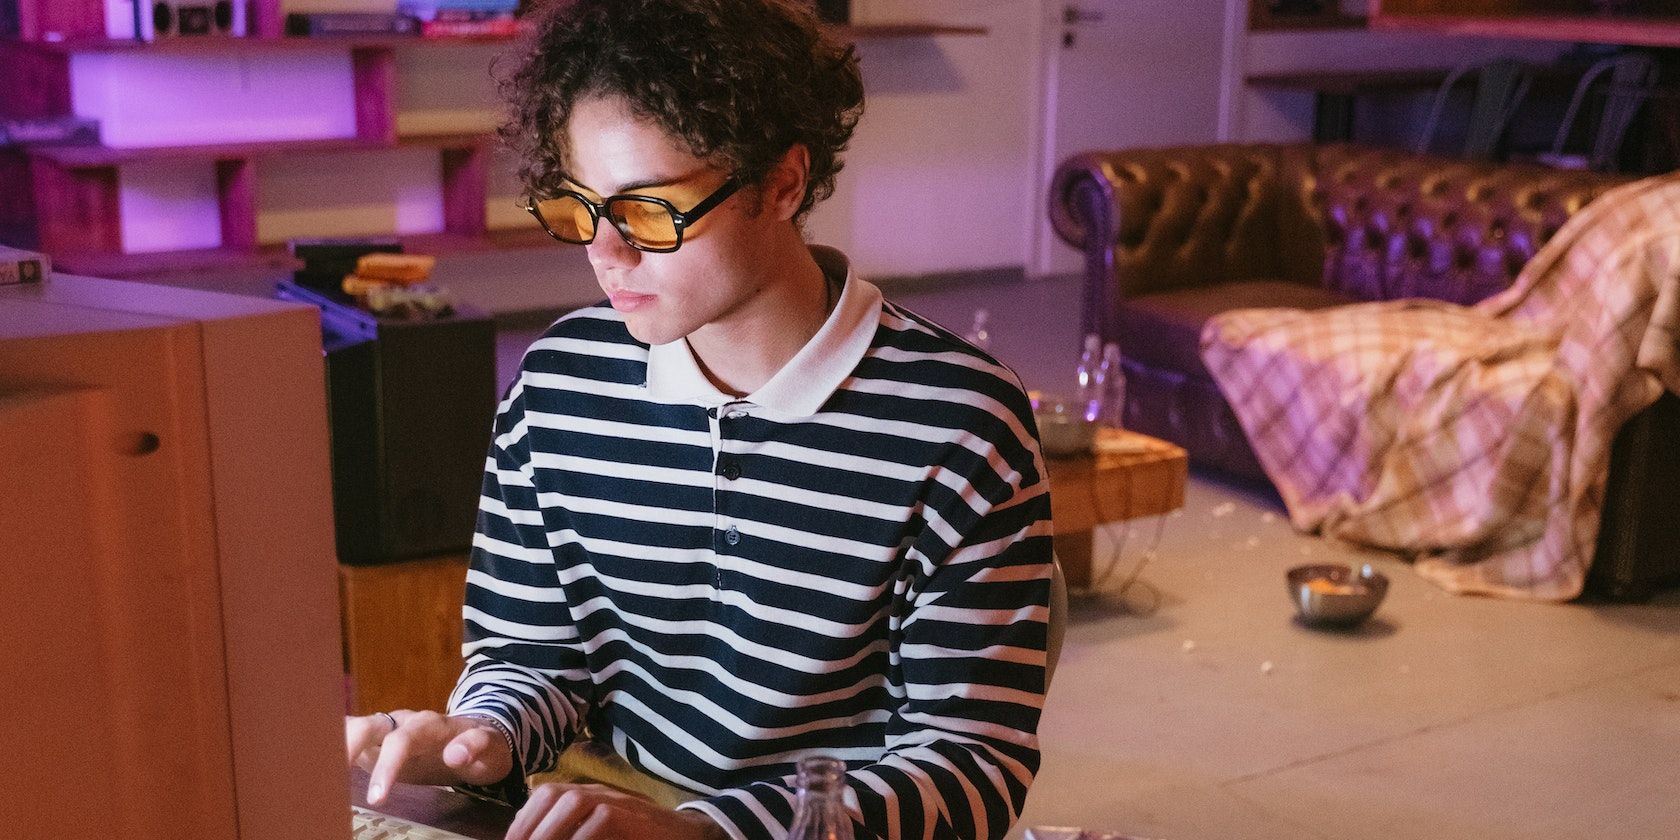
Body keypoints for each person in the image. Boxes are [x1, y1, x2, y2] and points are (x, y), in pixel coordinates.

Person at [343, 1, 1054, 838]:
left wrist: (710, 832)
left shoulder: (959, 421)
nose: (605, 254)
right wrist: (485, 733)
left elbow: (970, 765)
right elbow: (533, 658)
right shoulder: (556, 383)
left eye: (649, 210)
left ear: (782, 184)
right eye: (579, 207)